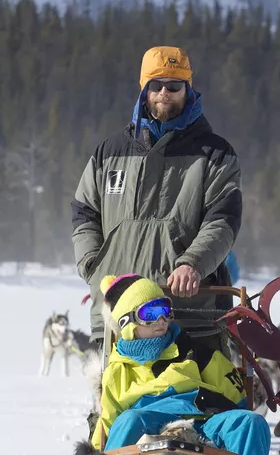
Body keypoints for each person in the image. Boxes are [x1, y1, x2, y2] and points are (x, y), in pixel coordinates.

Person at [71, 46, 242, 347]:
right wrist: (92, 263)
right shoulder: (108, 153)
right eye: (156, 85)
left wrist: (193, 263)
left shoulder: (215, 154)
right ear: (144, 90)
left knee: (190, 395)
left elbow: (223, 219)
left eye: (174, 85)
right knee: (116, 395)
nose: (165, 92)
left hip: (186, 315)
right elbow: (84, 212)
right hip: (118, 313)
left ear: (187, 90)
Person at [89, 274, 270, 455]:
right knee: (128, 419)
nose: (161, 320)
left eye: (165, 310)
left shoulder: (194, 352)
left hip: (201, 420)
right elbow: (109, 422)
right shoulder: (118, 370)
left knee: (251, 422)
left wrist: (243, 398)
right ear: (128, 322)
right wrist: (95, 453)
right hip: (149, 424)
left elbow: (235, 395)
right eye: (150, 314)